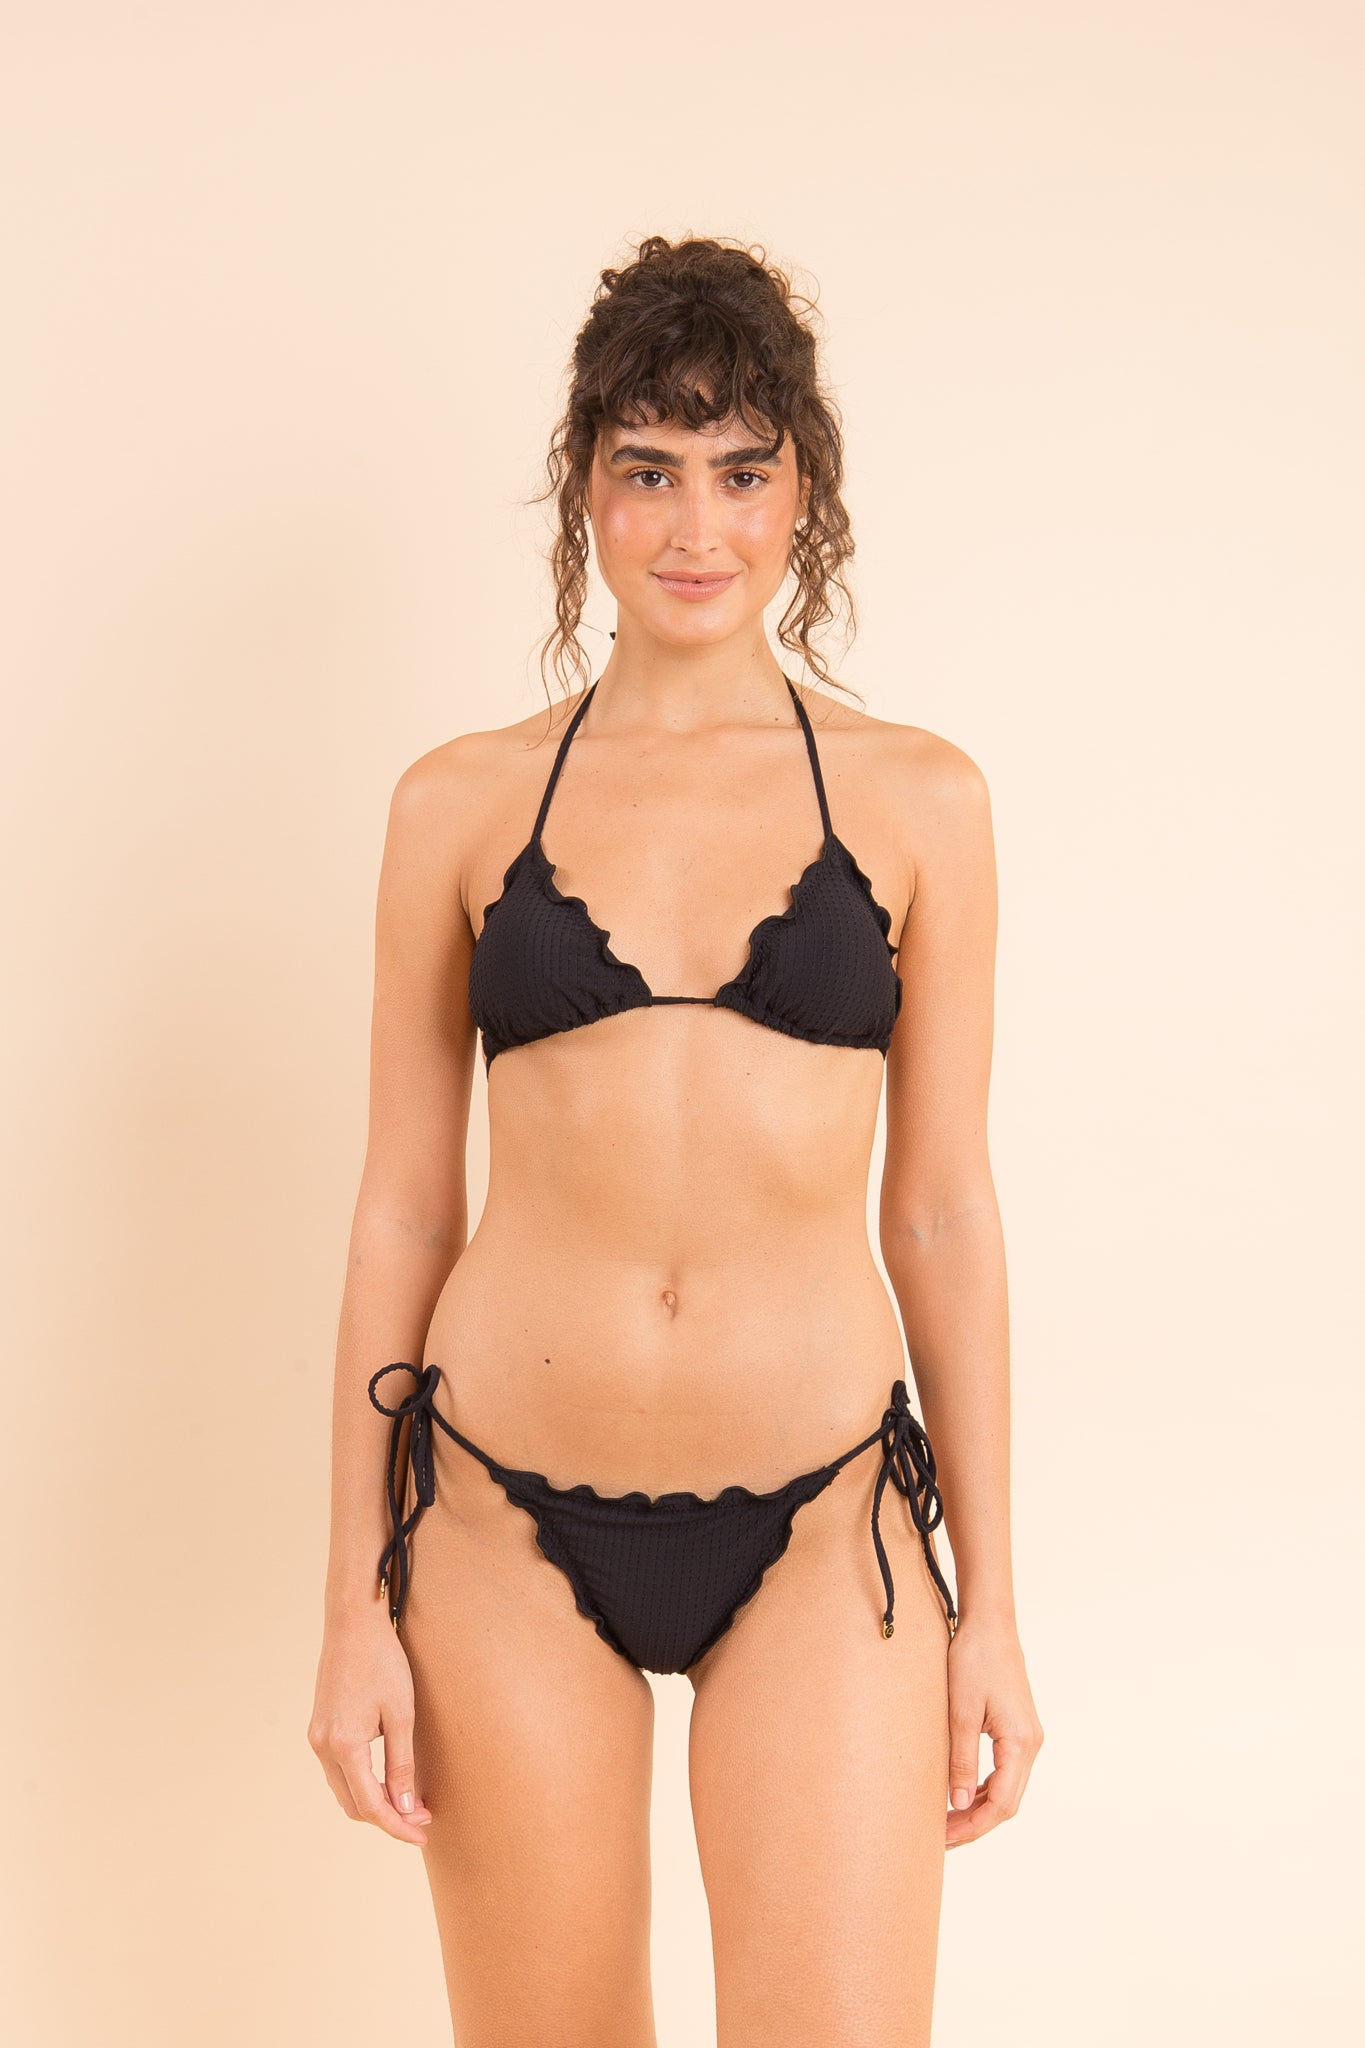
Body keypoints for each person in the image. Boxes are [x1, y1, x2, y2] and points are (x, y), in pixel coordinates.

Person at [309, 232, 1042, 2047]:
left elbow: (942, 1214)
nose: (695, 525)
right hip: (494, 1513)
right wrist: (350, 1608)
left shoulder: (920, 799)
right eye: (648, 470)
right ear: (584, 487)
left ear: (806, 493)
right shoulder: (459, 801)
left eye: (740, 470)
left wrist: (994, 1613)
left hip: (826, 1521)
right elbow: (402, 1210)